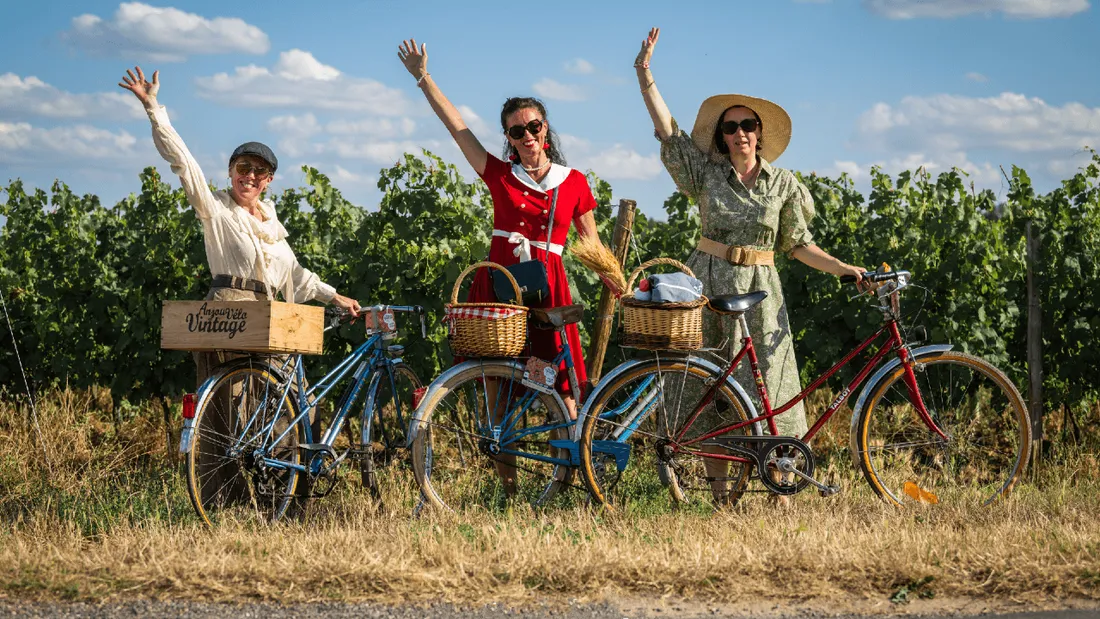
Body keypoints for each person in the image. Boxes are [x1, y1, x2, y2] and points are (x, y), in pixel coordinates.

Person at [634, 29, 866, 502]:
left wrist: (844, 268)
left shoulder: (785, 184)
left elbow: (799, 245)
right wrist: (645, 76)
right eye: (730, 127)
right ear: (720, 137)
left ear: (759, 134)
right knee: (707, 386)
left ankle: (779, 488)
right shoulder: (706, 174)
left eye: (748, 126)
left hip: (762, 291)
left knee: (770, 390)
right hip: (710, 284)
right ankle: (720, 493)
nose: (740, 133)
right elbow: (669, 134)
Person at [119, 66, 360, 509]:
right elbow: (183, 164)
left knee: (287, 409)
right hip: (230, 313)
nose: (250, 176)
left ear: (269, 180)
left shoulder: (272, 225)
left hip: (275, 320)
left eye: (259, 171)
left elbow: (297, 277)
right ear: (231, 172)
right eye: (242, 168)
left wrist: (333, 295)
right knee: (227, 414)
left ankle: (282, 504)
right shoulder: (217, 212)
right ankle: (224, 505)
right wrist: (154, 108)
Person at [398, 39, 618, 493]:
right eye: (517, 132)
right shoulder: (500, 174)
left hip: (550, 288)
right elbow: (457, 128)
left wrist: (616, 282)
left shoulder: (574, 182)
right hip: (501, 287)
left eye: (534, 126)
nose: (528, 136)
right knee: (498, 385)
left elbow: (591, 241)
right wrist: (424, 77)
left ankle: (568, 479)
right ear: (509, 139)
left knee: (559, 384)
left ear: (545, 127)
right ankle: (510, 491)